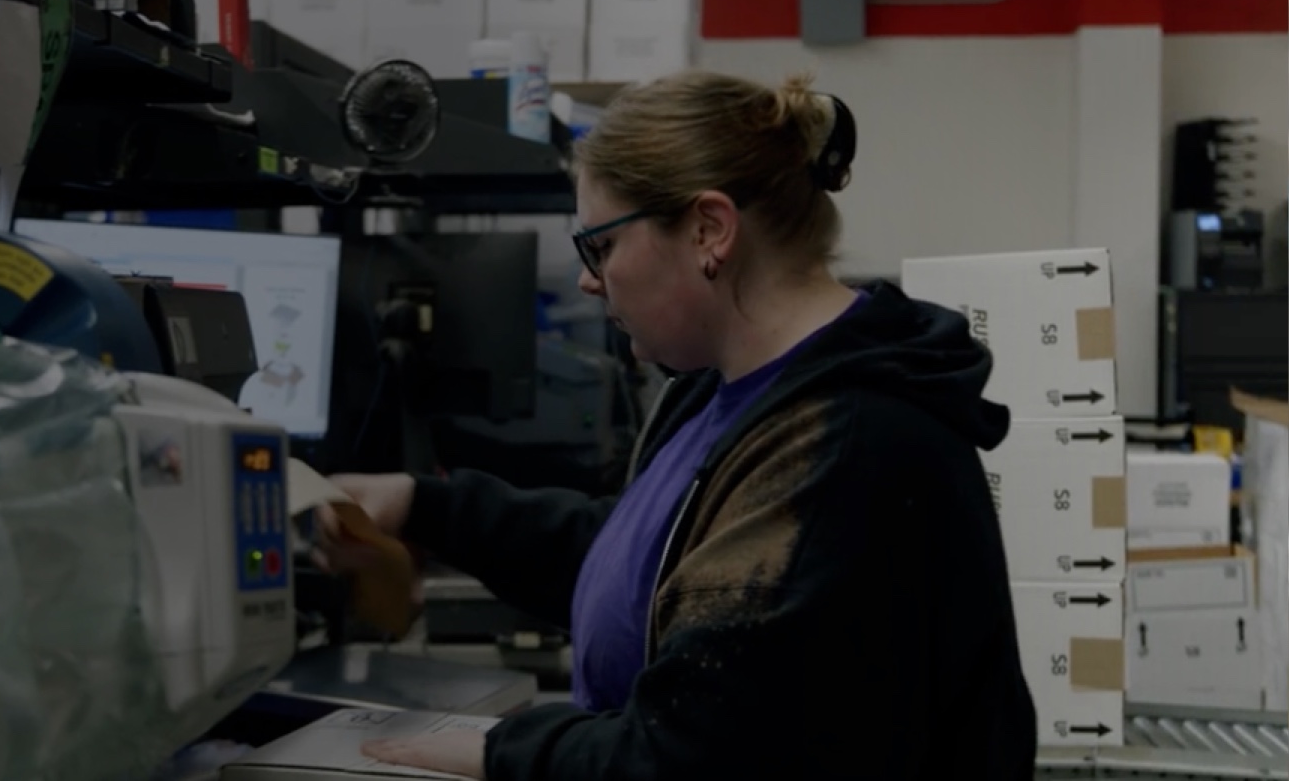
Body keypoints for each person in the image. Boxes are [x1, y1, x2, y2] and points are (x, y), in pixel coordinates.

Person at [313, 69, 1037, 781]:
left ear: (709, 230)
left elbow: (700, 757)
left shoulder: (843, 448)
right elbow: (648, 566)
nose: (592, 279)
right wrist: (424, 503)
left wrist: (500, 751)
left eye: (601, 245)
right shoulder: (728, 391)